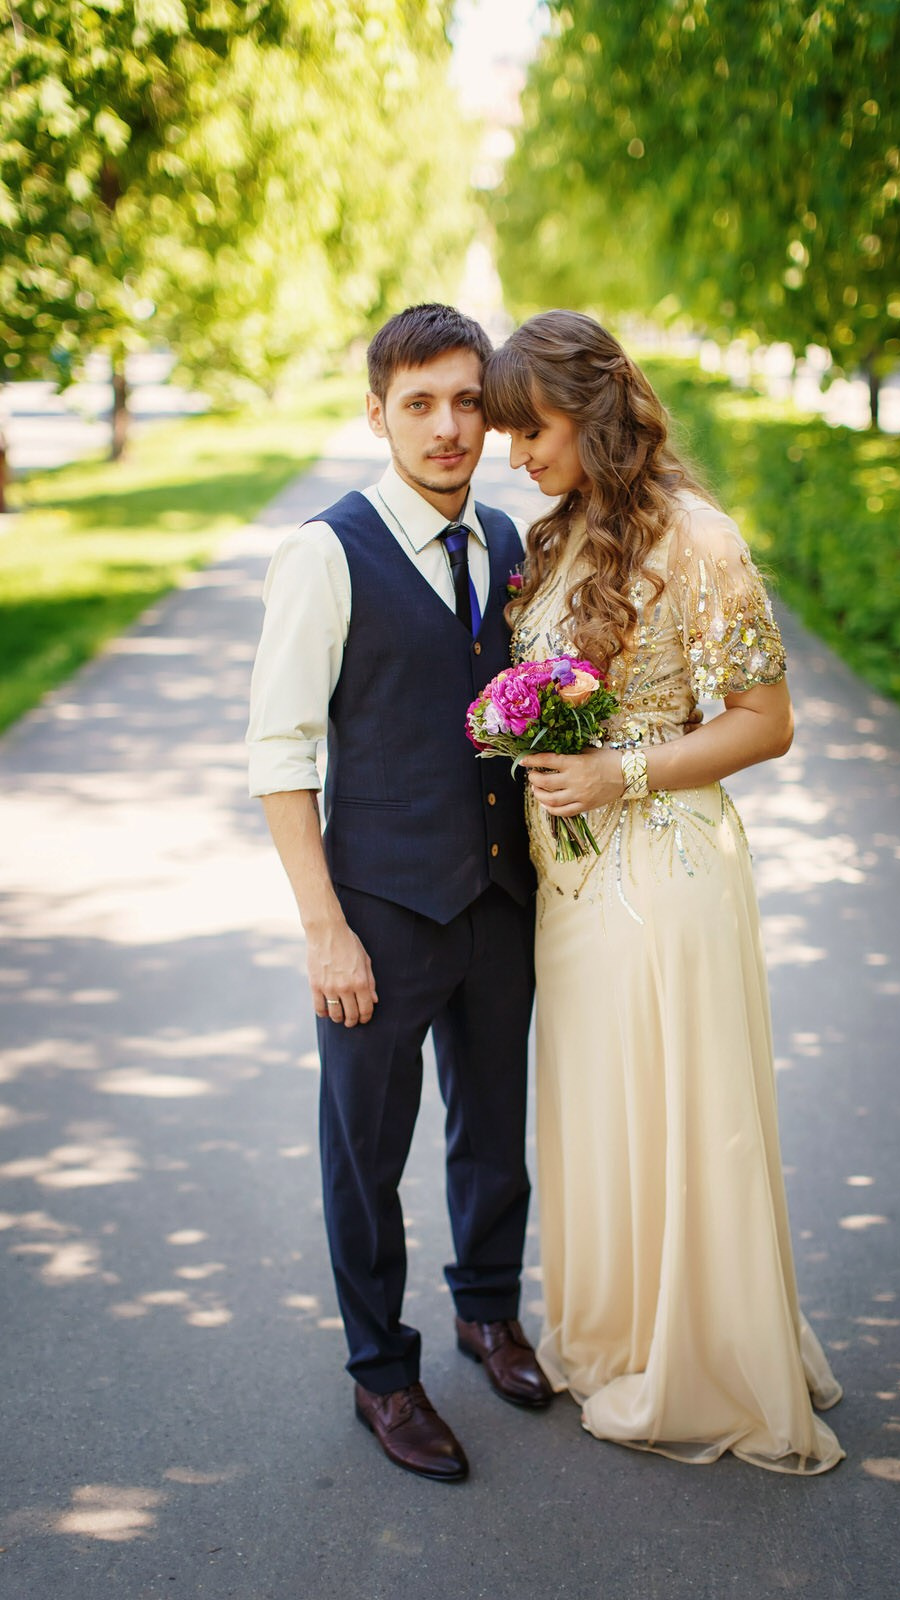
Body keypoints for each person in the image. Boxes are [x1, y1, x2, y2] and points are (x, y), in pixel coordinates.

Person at [481, 310, 844, 1473]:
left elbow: (766, 721)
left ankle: (699, 1352)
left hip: (670, 870)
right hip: (572, 887)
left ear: (590, 412)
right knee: (600, 1108)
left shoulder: (697, 537)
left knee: (677, 1106)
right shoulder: (554, 538)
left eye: (528, 430)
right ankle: (621, 1333)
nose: (514, 455)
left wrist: (617, 769)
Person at [247, 304, 551, 1485]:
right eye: (417, 402)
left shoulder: (510, 544)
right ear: (375, 412)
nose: (446, 426)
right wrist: (325, 930)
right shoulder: (325, 553)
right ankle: (383, 1372)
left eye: (467, 401)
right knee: (364, 1157)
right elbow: (280, 756)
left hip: (499, 903)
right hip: (375, 916)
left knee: (494, 1136)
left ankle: (487, 1312)